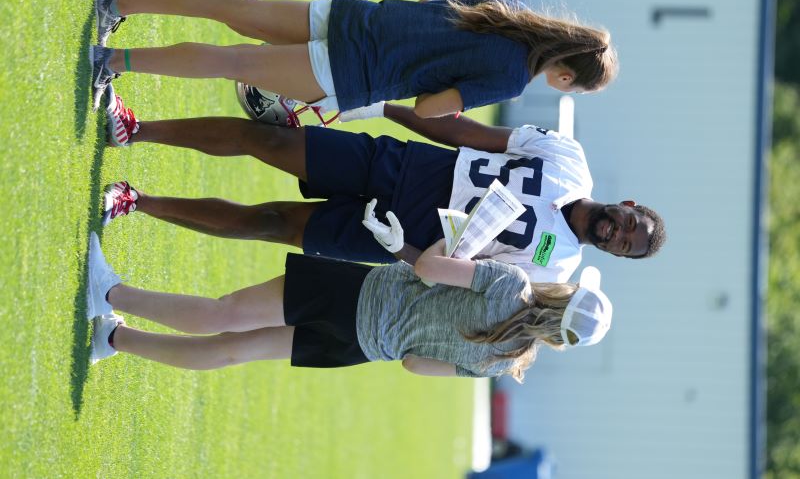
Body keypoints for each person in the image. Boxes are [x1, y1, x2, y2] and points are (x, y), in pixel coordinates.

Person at [100, 91, 667, 283]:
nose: (619, 235)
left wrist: (399, 248)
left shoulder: (558, 265)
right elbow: (466, 133)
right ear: (631, 204)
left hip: (402, 235)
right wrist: (385, 107)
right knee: (270, 143)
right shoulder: (569, 158)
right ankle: (136, 129)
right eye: (631, 226)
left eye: (626, 247)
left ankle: (135, 201)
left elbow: (460, 277)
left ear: (617, 255)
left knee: (266, 222)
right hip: (407, 170)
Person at [84, 217, 613, 379]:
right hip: (359, 348)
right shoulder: (504, 365)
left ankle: (108, 291)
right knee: (231, 350)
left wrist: (460, 238)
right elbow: (413, 365)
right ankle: (115, 337)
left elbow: (428, 268)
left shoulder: (512, 285)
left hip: (357, 295)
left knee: (227, 316)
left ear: (565, 296)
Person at [90, 0, 618, 115]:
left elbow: (434, 3)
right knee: (233, 62)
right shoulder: (512, 78)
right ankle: (111, 61)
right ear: (567, 76)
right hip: (353, 69)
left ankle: (116, 3)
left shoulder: (511, 12)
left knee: (240, 7)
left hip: (359, 17)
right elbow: (427, 108)